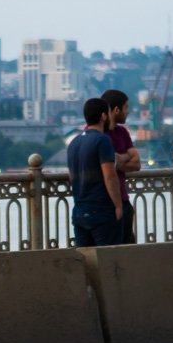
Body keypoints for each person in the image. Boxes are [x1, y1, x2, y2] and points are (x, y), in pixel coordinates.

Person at [67, 97, 124, 247]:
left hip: (79, 211)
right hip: (101, 211)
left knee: (86, 259)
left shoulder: (74, 142)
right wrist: (118, 206)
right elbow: (109, 176)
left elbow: (72, 176)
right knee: (108, 258)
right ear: (103, 116)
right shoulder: (102, 140)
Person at [101, 89, 142, 244]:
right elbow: (108, 165)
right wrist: (122, 159)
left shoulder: (122, 132)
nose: (128, 112)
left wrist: (118, 159)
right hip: (106, 203)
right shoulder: (99, 134)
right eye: (126, 107)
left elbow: (137, 163)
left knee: (128, 247)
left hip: (124, 201)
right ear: (116, 110)